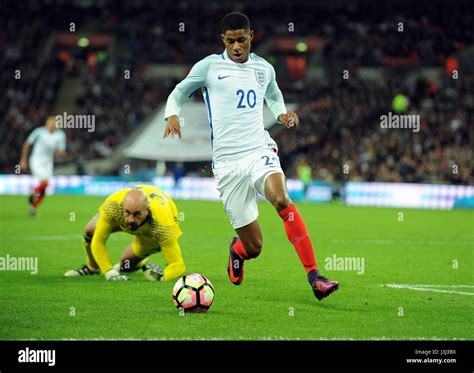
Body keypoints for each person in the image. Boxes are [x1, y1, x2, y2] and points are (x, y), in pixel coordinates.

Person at [163, 12, 338, 300]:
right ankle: (238, 250)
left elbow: (274, 96)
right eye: (230, 41)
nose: (236, 47)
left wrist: (282, 115)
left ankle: (314, 276)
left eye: (241, 40)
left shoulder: (264, 69)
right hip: (227, 164)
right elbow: (179, 93)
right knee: (254, 247)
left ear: (251, 36)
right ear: (223, 40)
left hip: (258, 149)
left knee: (281, 198)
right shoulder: (209, 66)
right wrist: (172, 115)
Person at [65, 185, 186, 281]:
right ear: (122, 206)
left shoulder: (163, 224)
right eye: (127, 212)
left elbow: (177, 264)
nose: (131, 219)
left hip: (151, 233)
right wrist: (109, 272)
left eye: (137, 214)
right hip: (125, 217)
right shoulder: (113, 206)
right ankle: (92, 268)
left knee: (126, 264)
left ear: (147, 210)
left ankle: (140, 261)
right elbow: (98, 242)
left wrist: (162, 277)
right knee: (90, 230)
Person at [19, 116, 66, 216]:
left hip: (48, 163)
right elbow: (27, 144)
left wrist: (61, 153)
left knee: (45, 187)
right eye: (50, 122)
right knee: (45, 182)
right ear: (46, 123)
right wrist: (23, 160)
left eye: (54, 123)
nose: (52, 124)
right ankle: (33, 191)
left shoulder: (61, 135)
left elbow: (62, 151)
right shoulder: (39, 132)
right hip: (36, 160)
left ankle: (33, 207)